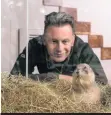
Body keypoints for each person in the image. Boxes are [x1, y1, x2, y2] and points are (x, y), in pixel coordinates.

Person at [10, 12, 108, 85]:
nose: (60, 49)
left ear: (73, 40)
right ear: (44, 39)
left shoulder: (83, 49)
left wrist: (60, 78)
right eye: (54, 41)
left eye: (65, 41)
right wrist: (52, 77)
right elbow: (13, 79)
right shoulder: (35, 45)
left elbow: (102, 83)